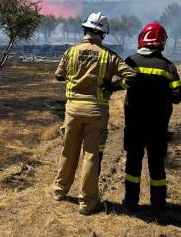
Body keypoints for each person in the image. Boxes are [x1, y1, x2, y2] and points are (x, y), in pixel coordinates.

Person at [51, 12, 137, 215]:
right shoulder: (109, 55)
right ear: (103, 34)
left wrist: (75, 77)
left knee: (68, 151)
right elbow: (132, 76)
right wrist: (113, 86)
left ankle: (59, 190)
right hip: (96, 112)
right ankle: (88, 203)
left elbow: (58, 75)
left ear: (85, 30)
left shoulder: (71, 52)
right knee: (91, 155)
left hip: (73, 111)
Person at [122, 22, 181, 213]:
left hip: (134, 125)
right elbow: (178, 96)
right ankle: (158, 204)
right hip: (157, 127)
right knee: (156, 165)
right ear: (162, 41)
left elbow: (122, 84)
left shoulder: (131, 61)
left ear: (143, 38)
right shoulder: (168, 66)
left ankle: (131, 202)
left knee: (133, 162)